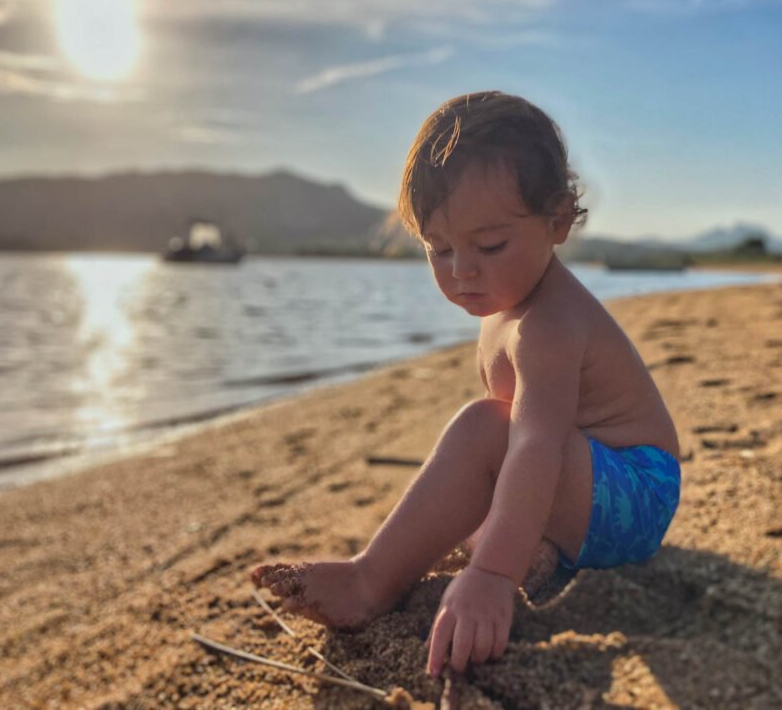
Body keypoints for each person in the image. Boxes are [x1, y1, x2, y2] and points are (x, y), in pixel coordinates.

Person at [251, 91, 681, 677]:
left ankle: (368, 582)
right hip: (596, 490)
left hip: (637, 493)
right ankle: (532, 547)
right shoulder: (504, 300)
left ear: (557, 222)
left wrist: (492, 576)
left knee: (485, 425)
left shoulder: (548, 325)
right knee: (492, 428)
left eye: (490, 245)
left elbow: (534, 444)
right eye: (440, 249)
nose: (462, 271)